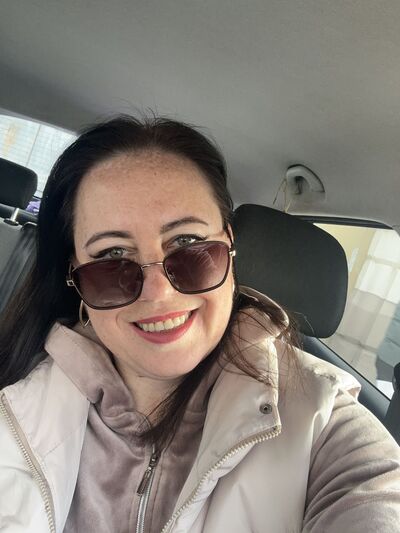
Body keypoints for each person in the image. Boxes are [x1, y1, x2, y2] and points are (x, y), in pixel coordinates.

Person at [0, 115, 399, 533]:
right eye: (112, 256)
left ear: (229, 244)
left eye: (187, 244)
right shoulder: (15, 402)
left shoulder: (325, 431)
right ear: (75, 277)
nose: (158, 293)